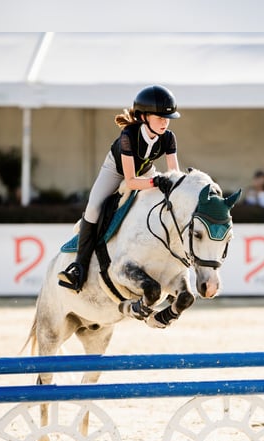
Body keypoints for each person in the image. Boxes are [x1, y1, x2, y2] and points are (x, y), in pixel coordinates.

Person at [57, 85, 181, 292]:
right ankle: (78, 267)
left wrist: (177, 185)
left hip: (146, 170)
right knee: (94, 208)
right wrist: (156, 182)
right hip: (116, 170)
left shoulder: (169, 137)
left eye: (167, 118)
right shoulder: (128, 136)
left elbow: (174, 173)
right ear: (143, 117)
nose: (165, 122)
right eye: (159, 117)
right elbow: (131, 181)